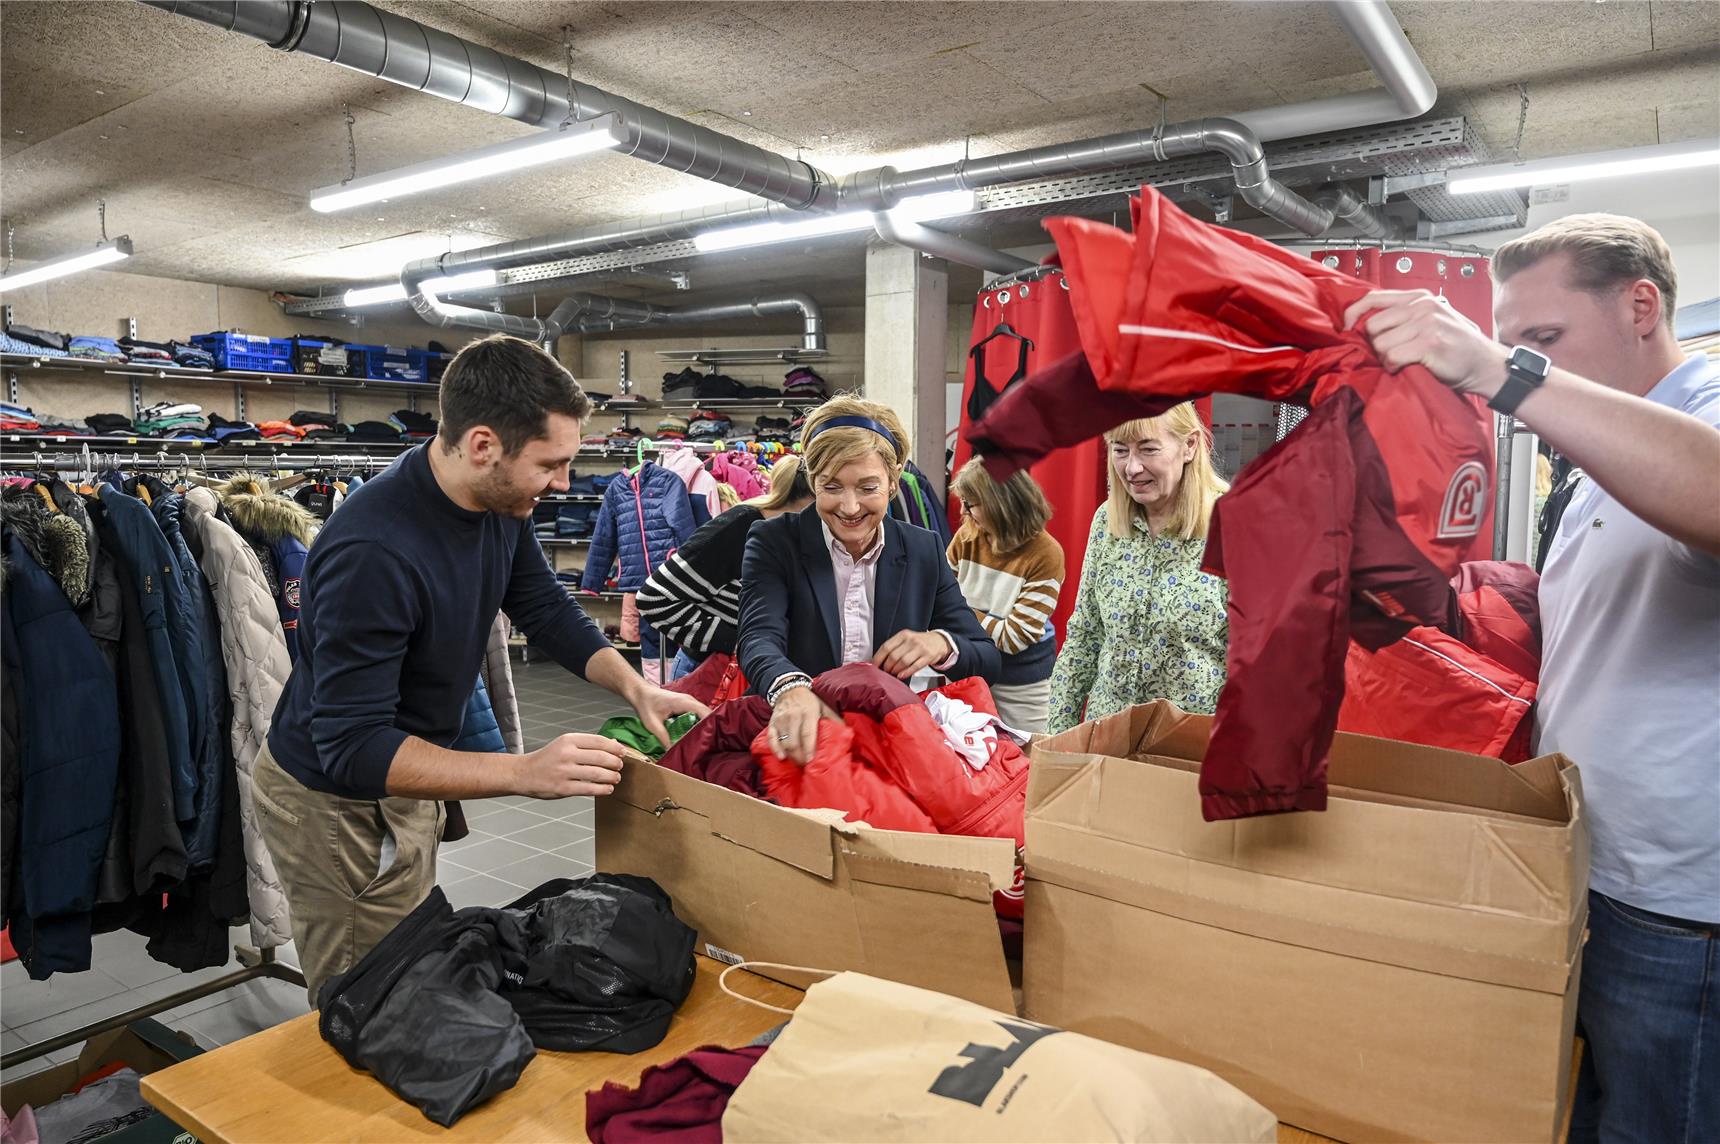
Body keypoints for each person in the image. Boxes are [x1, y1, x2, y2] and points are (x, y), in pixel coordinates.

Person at [1346, 213, 1719, 1144]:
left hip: (1683, 906)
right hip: (1595, 867)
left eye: (1544, 339)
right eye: (1515, 342)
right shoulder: (1596, 456)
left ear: (1642, 307)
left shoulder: (1705, 403)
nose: (1524, 363)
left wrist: (1499, 371)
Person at [256, 334, 708, 1003]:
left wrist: (634, 684)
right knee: (365, 996)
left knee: (406, 963)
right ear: (482, 445)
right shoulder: (373, 551)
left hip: (399, 776)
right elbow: (351, 746)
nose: (561, 483)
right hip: (336, 804)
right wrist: (524, 772)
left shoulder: (498, 502)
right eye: (550, 465)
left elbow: (540, 601)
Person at [736, 396, 1000, 764]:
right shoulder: (775, 541)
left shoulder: (923, 549)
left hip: (877, 749)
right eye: (831, 487)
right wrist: (789, 687)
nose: (849, 506)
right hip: (792, 744)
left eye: (867, 488)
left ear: (893, 482)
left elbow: (985, 656)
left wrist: (939, 644)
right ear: (812, 482)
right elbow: (757, 637)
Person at [1047, 402, 1230, 735]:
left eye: (1148, 449)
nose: (1131, 468)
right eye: (1120, 450)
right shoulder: (1107, 522)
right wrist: (1058, 739)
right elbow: (1085, 637)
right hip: (1107, 739)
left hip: (1192, 749)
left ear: (1189, 446)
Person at [636, 455, 815, 681]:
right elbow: (654, 598)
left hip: (757, 671)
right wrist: (740, 642)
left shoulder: (803, 537)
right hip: (711, 671)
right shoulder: (739, 529)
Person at [946, 460, 1065, 732]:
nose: (963, 510)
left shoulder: (1046, 553)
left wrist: (961, 616)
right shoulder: (967, 535)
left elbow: (1014, 638)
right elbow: (939, 602)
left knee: (1028, 762)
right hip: (969, 670)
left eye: (971, 503)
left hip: (1021, 684)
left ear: (1000, 504)